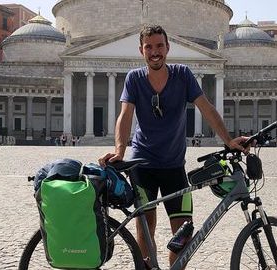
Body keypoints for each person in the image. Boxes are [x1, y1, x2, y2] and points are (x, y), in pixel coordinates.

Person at [98, 24, 249, 268]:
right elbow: (125, 116)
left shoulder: (183, 74)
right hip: (142, 165)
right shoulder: (134, 78)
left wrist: (228, 141)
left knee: (184, 233)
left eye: (159, 46)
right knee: (145, 232)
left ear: (168, 47)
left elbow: (206, 108)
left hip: (174, 166)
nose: (155, 52)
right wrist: (119, 151)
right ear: (141, 51)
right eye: (149, 47)